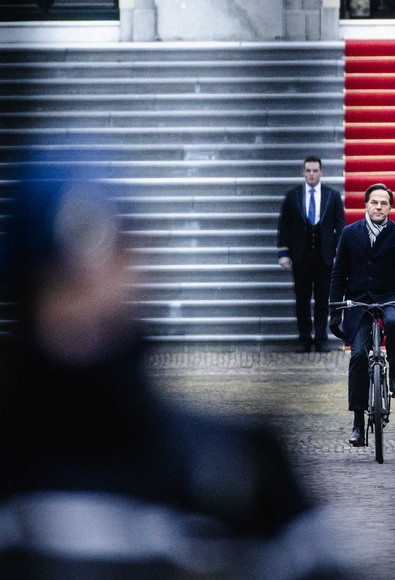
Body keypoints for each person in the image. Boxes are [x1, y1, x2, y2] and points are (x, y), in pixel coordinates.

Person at [0, 150, 352, 579]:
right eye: (60, 287)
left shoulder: (236, 468)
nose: (84, 307)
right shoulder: (225, 465)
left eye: (111, 260)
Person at [328, 183, 395, 447]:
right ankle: (358, 422)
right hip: (357, 300)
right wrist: (334, 308)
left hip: (388, 296)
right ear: (366, 205)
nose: (378, 207)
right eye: (374, 202)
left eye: (384, 203)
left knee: (394, 322)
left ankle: (394, 374)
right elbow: (338, 273)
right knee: (358, 356)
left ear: (390, 207)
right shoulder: (349, 233)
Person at [277, 156, 346, 353]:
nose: (312, 174)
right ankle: (305, 338)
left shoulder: (332, 196)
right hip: (301, 256)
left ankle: (322, 339)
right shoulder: (293, 196)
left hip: (325, 256)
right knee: (302, 300)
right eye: (308, 171)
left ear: (321, 172)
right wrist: (283, 253)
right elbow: (284, 226)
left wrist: (339, 253)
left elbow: (340, 226)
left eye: (315, 171)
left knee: (323, 300)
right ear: (303, 172)